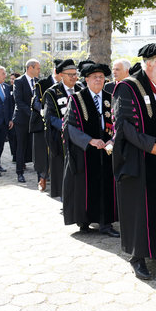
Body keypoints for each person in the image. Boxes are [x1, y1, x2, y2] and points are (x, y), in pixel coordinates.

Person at [112, 43, 156, 280]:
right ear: (149, 64)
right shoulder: (128, 88)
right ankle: (137, 256)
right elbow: (124, 127)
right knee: (140, 209)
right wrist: (150, 146)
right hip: (139, 159)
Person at [62, 62, 119, 237]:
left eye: (101, 77)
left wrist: (113, 140)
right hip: (85, 152)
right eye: (94, 77)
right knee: (85, 186)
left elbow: (119, 124)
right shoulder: (77, 99)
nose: (98, 80)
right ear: (86, 79)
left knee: (107, 186)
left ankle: (106, 223)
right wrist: (90, 141)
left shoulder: (111, 98)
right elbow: (69, 127)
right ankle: (84, 220)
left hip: (107, 151)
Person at [43, 59, 83, 198]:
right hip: (60, 137)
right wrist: (68, 128)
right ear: (61, 75)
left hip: (80, 137)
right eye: (70, 74)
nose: (73, 77)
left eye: (75, 74)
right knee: (62, 168)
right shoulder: (52, 92)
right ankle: (64, 197)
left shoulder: (81, 89)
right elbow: (50, 117)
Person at [31, 59, 61, 191]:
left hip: (59, 123)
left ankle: (55, 178)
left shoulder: (68, 86)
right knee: (42, 153)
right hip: (42, 122)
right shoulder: (42, 84)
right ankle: (42, 177)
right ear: (56, 72)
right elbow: (35, 101)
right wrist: (43, 110)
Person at [13, 59, 40, 183]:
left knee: (36, 146)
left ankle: (41, 173)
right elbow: (18, 101)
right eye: (38, 68)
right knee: (21, 146)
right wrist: (32, 114)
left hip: (35, 121)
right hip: (22, 120)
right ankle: (20, 172)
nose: (39, 71)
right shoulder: (19, 81)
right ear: (30, 68)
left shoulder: (38, 82)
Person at [7, 72, 20, 162]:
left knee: (18, 137)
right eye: (11, 79)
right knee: (11, 137)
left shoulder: (19, 89)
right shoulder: (8, 89)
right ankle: (14, 155)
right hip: (10, 116)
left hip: (18, 116)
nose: (12, 81)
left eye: (13, 79)